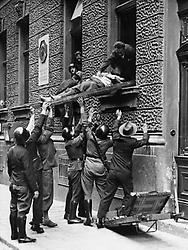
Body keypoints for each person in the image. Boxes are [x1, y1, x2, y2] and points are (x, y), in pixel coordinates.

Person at [96, 109, 149, 228]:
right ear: (131, 133)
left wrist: (118, 117)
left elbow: (114, 129)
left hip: (113, 171)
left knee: (107, 195)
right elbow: (144, 141)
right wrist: (145, 131)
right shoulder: (132, 142)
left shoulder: (116, 138)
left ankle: (100, 219)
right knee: (128, 194)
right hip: (125, 172)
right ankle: (123, 215)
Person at [81, 108, 113, 226]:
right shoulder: (108, 142)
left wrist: (88, 114)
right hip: (100, 165)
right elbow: (115, 136)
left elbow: (86, 125)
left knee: (87, 193)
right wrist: (118, 120)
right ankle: (103, 217)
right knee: (103, 192)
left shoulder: (90, 137)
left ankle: (88, 218)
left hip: (89, 164)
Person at [7, 127, 39, 243]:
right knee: (22, 211)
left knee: (13, 209)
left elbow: (9, 168)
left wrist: (13, 179)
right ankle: (22, 236)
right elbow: (29, 172)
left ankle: (14, 234)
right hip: (23, 185)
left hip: (13, 183)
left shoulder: (11, 150)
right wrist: (35, 189)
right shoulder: (25, 153)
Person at [62, 99, 87, 224]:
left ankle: (68, 213)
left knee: (71, 191)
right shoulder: (74, 143)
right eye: (72, 131)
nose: (74, 130)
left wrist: (82, 109)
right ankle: (72, 217)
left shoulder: (68, 142)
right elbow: (84, 130)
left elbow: (79, 125)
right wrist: (82, 108)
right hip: (76, 168)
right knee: (76, 192)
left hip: (72, 168)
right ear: (71, 135)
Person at [26, 102, 50, 234]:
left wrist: (33, 115)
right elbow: (37, 128)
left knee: (24, 199)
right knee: (37, 197)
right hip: (35, 171)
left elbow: (31, 128)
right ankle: (36, 223)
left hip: (24, 173)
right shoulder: (30, 142)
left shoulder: (19, 143)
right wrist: (44, 111)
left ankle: (22, 223)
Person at [37, 104, 58, 227]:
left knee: (43, 193)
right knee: (47, 193)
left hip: (43, 168)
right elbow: (50, 128)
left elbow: (47, 128)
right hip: (46, 169)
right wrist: (49, 113)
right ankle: (45, 217)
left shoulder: (41, 139)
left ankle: (39, 217)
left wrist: (46, 112)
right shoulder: (43, 139)